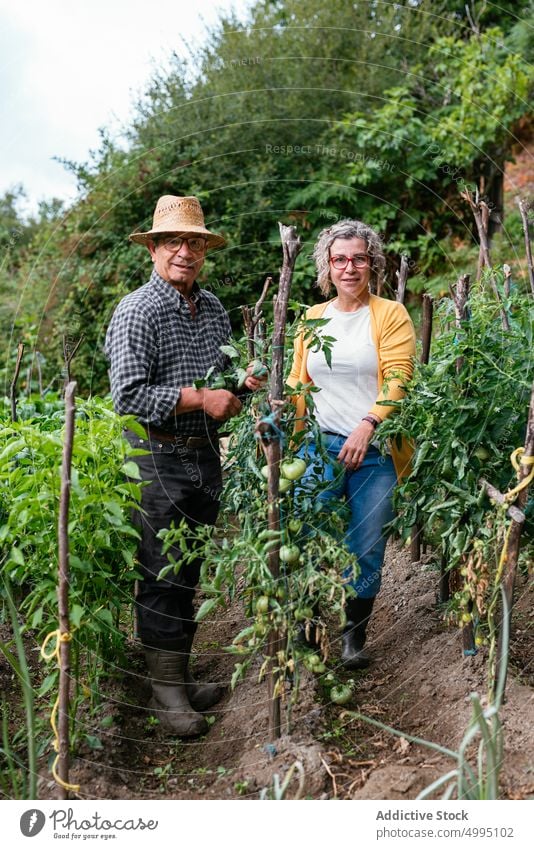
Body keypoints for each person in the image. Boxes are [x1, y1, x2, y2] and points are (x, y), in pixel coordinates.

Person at [105, 195, 264, 736]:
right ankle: (166, 694)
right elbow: (127, 395)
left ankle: (179, 675)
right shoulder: (137, 310)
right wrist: (200, 400)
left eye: (194, 242)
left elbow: (220, 380)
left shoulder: (213, 309)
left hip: (202, 455)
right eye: (173, 242)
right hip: (155, 455)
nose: (185, 252)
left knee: (189, 566)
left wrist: (239, 385)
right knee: (160, 571)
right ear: (153, 248)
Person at [287, 219, 416, 669]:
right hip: (319, 448)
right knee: (304, 537)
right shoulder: (312, 319)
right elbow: (297, 382)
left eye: (359, 258)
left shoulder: (390, 314)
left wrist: (369, 423)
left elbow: (399, 376)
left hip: (375, 452)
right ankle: (305, 632)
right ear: (327, 265)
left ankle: (352, 640)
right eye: (339, 259)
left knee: (366, 545)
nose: (349, 267)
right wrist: (278, 410)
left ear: (372, 263)